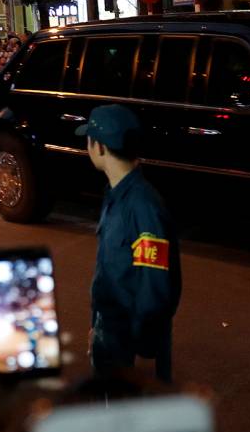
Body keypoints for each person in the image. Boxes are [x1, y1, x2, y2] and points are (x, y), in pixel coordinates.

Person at [77, 104, 181, 382]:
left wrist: (143, 341)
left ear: (99, 147)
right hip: (109, 325)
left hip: (123, 334)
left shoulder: (142, 208)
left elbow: (155, 284)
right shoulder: (116, 194)